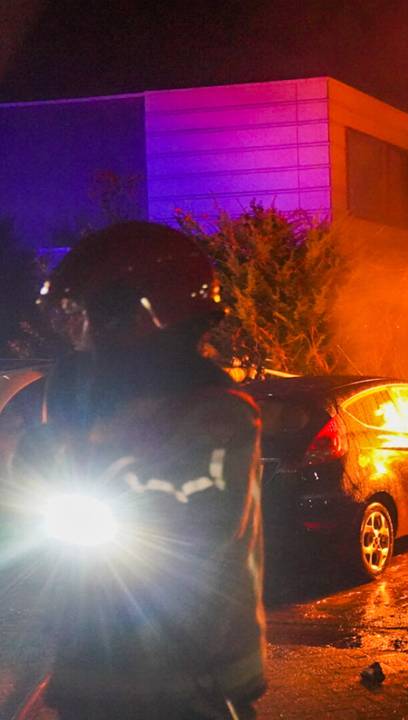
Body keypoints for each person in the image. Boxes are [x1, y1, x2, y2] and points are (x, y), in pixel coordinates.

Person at [15, 222, 266, 719]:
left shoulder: (220, 408)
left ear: (134, 311)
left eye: (81, 313)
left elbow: (196, 508)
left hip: (195, 674)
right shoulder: (79, 392)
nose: (73, 329)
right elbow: (35, 483)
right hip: (91, 665)